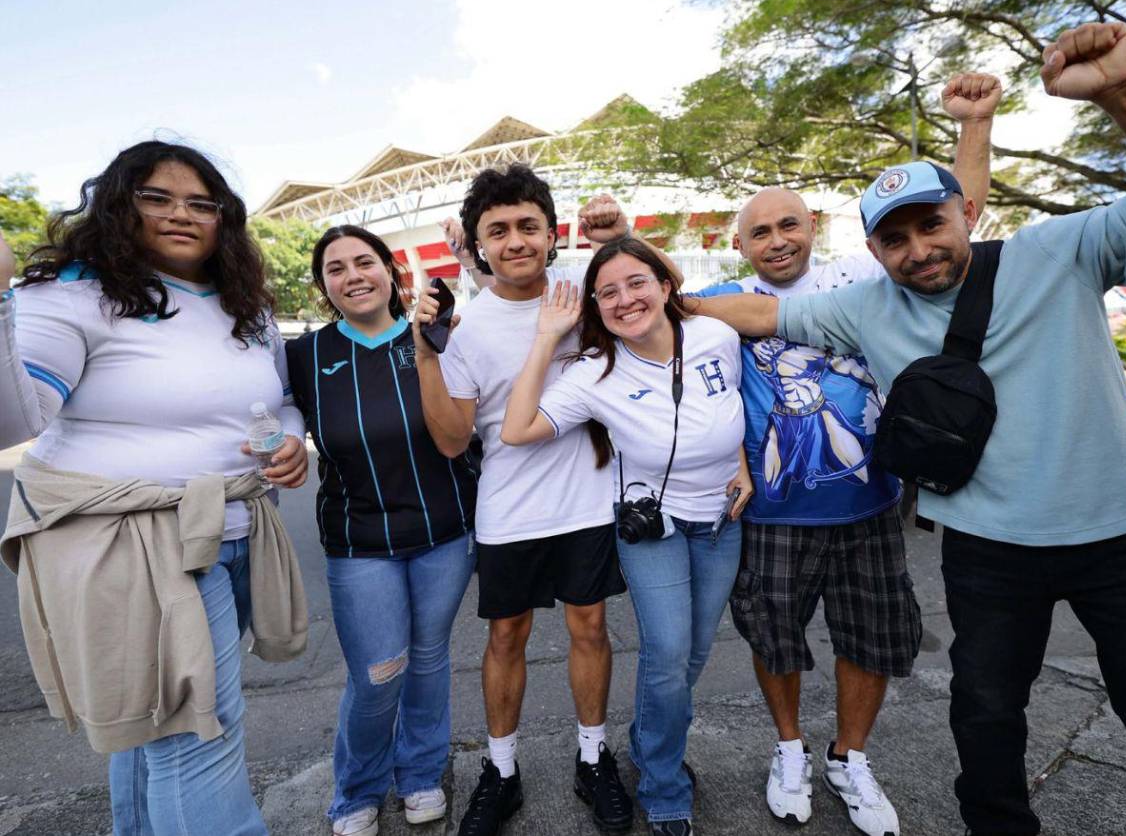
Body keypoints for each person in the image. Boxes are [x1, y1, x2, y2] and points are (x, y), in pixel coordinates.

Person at [690, 22, 1126, 835]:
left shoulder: (1061, 250)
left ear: (967, 210)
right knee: (987, 725)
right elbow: (758, 311)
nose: (919, 250)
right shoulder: (865, 304)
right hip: (986, 545)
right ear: (872, 248)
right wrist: (639, 302)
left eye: (932, 225)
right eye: (895, 238)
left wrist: (1124, 90)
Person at [691, 72, 999, 836]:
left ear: (814, 227)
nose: (776, 241)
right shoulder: (721, 302)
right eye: (759, 232)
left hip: (870, 507)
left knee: (872, 638)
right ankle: (789, 747)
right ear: (739, 244)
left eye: (788, 225)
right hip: (773, 515)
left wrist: (974, 125)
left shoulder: (866, 274)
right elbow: (648, 325)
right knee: (775, 637)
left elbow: (960, 210)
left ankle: (849, 756)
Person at [0, 141, 309, 836]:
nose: (182, 215)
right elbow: (12, 422)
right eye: (158, 198)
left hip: (232, 535)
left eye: (202, 203)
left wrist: (288, 438)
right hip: (136, 548)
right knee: (201, 731)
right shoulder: (71, 294)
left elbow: (279, 398)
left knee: (160, 730)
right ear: (118, 204)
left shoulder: (245, 305)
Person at [413, 166, 652, 836]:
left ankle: (592, 757)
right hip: (509, 508)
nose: (515, 240)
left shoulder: (590, 296)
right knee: (506, 636)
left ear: (552, 233)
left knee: (590, 630)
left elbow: (657, 310)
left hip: (586, 500)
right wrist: (425, 354)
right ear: (479, 243)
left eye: (527, 226)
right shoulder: (466, 328)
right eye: (499, 230)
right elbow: (454, 439)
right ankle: (501, 769)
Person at [500, 238, 753, 836]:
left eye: (637, 282)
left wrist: (740, 464)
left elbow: (728, 410)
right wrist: (545, 337)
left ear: (666, 286)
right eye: (607, 292)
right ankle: (664, 784)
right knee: (667, 654)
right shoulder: (595, 373)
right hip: (654, 528)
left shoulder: (718, 339)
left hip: (722, 520)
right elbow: (516, 429)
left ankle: (648, 739)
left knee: (690, 654)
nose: (625, 299)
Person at [285, 225, 479, 836]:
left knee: (427, 660)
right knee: (378, 672)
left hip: (444, 533)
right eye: (336, 269)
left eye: (364, 262)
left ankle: (421, 774)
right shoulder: (303, 357)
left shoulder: (437, 337)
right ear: (324, 287)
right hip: (359, 542)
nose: (352, 276)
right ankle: (356, 791)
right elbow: (281, 415)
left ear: (390, 271)